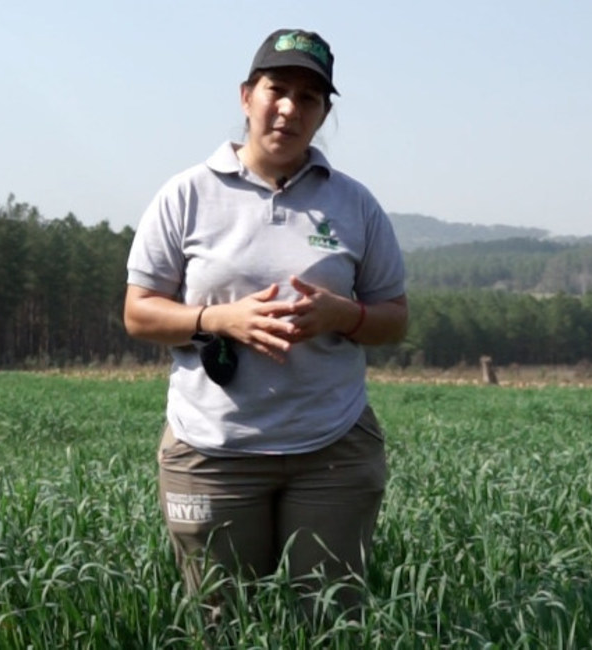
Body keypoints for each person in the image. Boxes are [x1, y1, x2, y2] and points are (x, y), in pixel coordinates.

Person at [124, 28, 408, 620]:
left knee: (330, 620)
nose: (289, 109)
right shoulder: (186, 194)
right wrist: (217, 318)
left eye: (309, 98)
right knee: (221, 622)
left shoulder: (355, 204)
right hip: (213, 449)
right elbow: (139, 311)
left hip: (332, 447)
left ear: (323, 113)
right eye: (277, 90)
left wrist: (345, 315)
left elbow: (394, 320)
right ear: (246, 96)